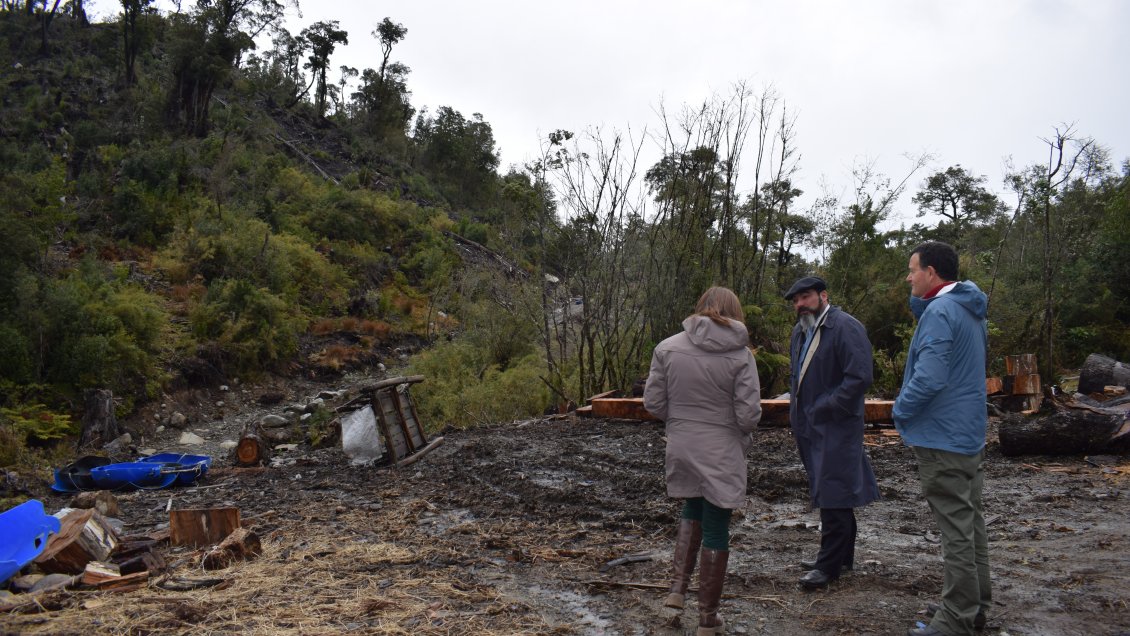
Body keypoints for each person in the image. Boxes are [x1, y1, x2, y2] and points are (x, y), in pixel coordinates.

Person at [643, 286, 761, 636]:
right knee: (717, 525)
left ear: (700, 307)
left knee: (692, 505)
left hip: (682, 443)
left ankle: (677, 590)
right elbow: (748, 416)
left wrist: (682, 423)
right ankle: (708, 618)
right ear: (735, 312)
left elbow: (653, 403)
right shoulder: (741, 356)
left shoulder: (667, 348)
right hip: (721, 448)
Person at [893, 242, 991, 636]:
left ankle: (955, 618)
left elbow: (930, 377)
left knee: (956, 531)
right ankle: (974, 606)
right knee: (971, 525)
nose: (908, 277)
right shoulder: (970, 310)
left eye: (912, 269)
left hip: (943, 438)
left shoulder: (940, 311)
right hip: (968, 435)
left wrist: (900, 409)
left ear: (931, 272)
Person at [784, 276, 880, 590]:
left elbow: (860, 377)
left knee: (834, 490)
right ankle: (842, 557)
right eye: (796, 300)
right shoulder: (800, 331)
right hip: (810, 425)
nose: (800, 304)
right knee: (830, 488)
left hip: (837, 424)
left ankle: (828, 566)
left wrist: (826, 406)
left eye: (806, 297)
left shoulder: (845, 327)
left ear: (823, 295)